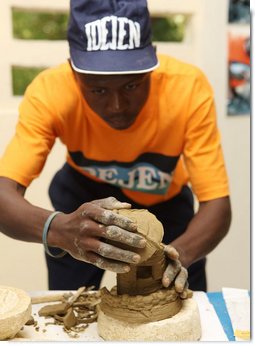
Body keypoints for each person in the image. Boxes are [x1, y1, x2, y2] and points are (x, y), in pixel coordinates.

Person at [0, 0, 231, 292]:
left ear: (153, 62)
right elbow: (3, 194)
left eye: (131, 86)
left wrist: (178, 255)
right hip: (83, 199)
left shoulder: (188, 88)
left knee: (184, 308)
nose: (117, 106)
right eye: (97, 90)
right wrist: (59, 230)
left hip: (167, 204)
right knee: (71, 307)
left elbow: (218, 206)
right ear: (73, 71)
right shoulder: (49, 92)